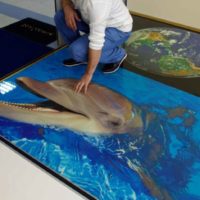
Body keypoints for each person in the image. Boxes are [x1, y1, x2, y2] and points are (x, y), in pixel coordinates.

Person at [54, 0, 133, 93]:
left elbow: (96, 42)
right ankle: (82, 56)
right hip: (92, 20)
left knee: (77, 51)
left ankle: (118, 55)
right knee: (60, 17)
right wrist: (67, 7)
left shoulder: (98, 3)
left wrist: (88, 74)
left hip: (117, 29)